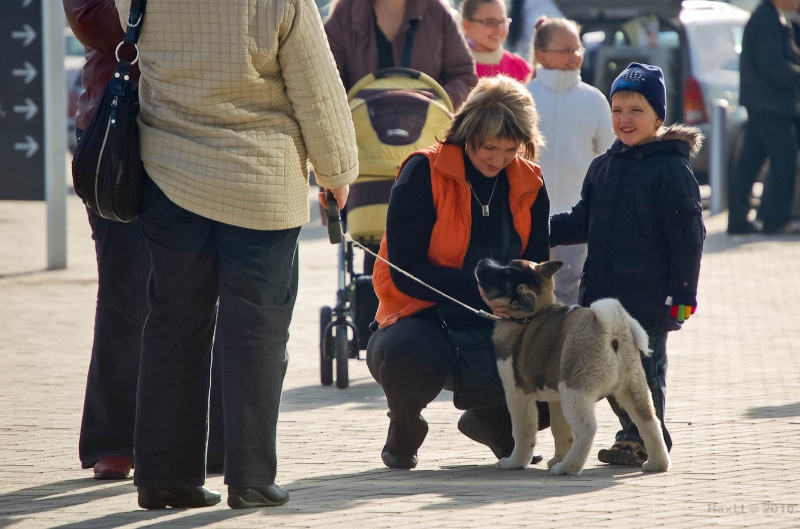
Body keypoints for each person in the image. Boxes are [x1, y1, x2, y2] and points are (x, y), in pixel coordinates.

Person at [114, 0, 358, 509]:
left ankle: (163, 476)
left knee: (172, 323)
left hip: (168, 166)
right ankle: (249, 477)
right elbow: (316, 85)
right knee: (258, 332)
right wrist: (337, 171)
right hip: (260, 177)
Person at [64, 0, 226, 481]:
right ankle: (114, 439)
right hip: (122, 135)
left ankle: (209, 440)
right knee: (125, 292)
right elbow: (89, 19)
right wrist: (184, 30)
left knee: (206, 289)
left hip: (203, 130)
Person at [367, 75, 551, 469]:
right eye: (488, 147)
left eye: (509, 150)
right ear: (467, 132)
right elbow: (405, 271)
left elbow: (535, 265)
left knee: (566, 364)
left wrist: (520, 303)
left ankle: (491, 421)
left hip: (501, 318)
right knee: (405, 357)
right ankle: (405, 424)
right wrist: (486, 294)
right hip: (421, 317)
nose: (497, 160)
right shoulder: (422, 172)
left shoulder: (530, 181)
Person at [550, 63, 705, 467]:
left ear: (658, 117)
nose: (624, 119)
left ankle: (642, 437)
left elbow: (687, 238)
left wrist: (682, 296)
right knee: (611, 372)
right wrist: (536, 230)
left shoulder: (671, 169)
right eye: (617, 109)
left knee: (644, 371)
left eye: (636, 110)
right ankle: (634, 433)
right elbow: (582, 220)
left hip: (649, 299)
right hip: (601, 296)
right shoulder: (604, 166)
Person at [526, 16, 614, 305]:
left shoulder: (595, 100)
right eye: (565, 50)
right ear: (541, 55)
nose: (574, 57)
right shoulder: (524, 98)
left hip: (579, 222)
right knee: (529, 296)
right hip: (527, 219)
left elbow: (608, 160)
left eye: (577, 49)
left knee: (573, 299)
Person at [728, 0, 800, 235]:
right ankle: (776, 220)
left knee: (751, 160)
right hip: (770, 105)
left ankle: (739, 219)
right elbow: (774, 65)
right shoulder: (766, 19)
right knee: (785, 158)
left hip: (765, 103)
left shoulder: (774, 17)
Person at [324, 0, 478, 109]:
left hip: (426, 139)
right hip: (362, 141)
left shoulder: (437, 13)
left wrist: (436, 103)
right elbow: (325, 83)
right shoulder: (344, 14)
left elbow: (464, 76)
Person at [460, 0, 532, 83]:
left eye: (503, 21)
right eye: (490, 22)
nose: (499, 29)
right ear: (467, 25)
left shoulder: (520, 68)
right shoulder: (453, 67)